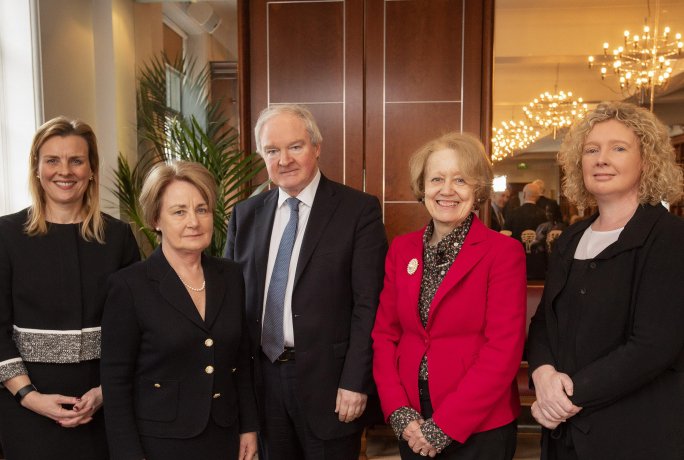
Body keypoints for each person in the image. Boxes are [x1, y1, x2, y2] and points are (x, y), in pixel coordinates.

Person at [224, 105, 388, 459]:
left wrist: (355, 382)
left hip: (330, 385)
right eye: (272, 150)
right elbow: (231, 306)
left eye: (295, 147)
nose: (284, 159)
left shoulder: (358, 211)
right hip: (262, 384)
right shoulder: (245, 215)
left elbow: (369, 306)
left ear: (317, 147)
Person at [527, 101, 684, 460]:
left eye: (618, 148)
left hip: (635, 434)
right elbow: (542, 325)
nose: (601, 159)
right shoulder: (569, 238)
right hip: (564, 434)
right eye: (591, 150)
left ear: (647, 161)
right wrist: (543, 374)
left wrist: (562, 398)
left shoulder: (670, 236)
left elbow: (653, 345)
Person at [0, 117, 141, 460]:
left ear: (91, 169)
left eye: (76, 160)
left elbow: (136, 327)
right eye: (52, 160)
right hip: (27, 407)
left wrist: (104, 393)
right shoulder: (3, 235)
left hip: (104, 406)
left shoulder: (118, 237)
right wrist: (30, 396)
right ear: (37, 169)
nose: (64, 171)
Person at [372, 133, 527, 459]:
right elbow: (385, 335)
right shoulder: (402, 249)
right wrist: (398, 410)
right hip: (412, 418)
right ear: (423, 186)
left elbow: (503, 350)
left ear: (478, 189)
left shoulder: (504, 253)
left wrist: (444, 426)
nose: (447, 190)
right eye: (437, 179)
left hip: (480, 422)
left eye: (461, 180)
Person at [101, 161, 258, 460]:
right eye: (179, 212)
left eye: (202, 209)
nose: (194, 222)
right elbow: (115, 382)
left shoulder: (231, 275)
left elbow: (242, 361)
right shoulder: (129, 285)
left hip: (224, 436)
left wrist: (248, 427)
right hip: (159, 443)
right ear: (156, 220)